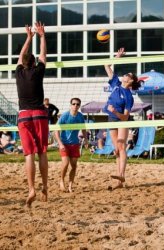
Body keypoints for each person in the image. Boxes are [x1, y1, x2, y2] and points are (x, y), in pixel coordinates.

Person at [15, 22, 48, 207]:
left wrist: (29, 37)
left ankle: (31, 189)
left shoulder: (19, 73)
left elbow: (21, 56)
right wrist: (42, 35)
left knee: (29, 155)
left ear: (23, 64)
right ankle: (44, 185)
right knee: (42, 151)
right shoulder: (38, 71)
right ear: (34, 63)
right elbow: (43, 54)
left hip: (24, 116)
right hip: (40, 114)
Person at [103, 47, 141, 190]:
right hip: (111, 119)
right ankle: (119, 182)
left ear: (130, 81)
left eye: (127, 75)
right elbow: (106, 65)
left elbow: (125, 117)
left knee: (121, 146)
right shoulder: (115, 84)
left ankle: (121, 174)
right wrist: (117, 56)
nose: (124, 75)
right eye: (125, 74)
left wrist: (115, 112)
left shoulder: (129, 96)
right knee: (116, 150)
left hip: (121, 120)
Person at [54, 98, 88, 193]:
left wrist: (86, 140)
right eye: (74, 104)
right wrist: (60, 143)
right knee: (65, 163)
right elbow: (56, 130)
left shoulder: (80, 116)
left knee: (74, 165)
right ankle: (61, 181)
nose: (75, 106)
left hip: (74, 144)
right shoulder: (65, 116)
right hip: (64, 144)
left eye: (77, 104)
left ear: (79, 106)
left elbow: (83, 129)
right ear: (70, 105)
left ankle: (70, 186)